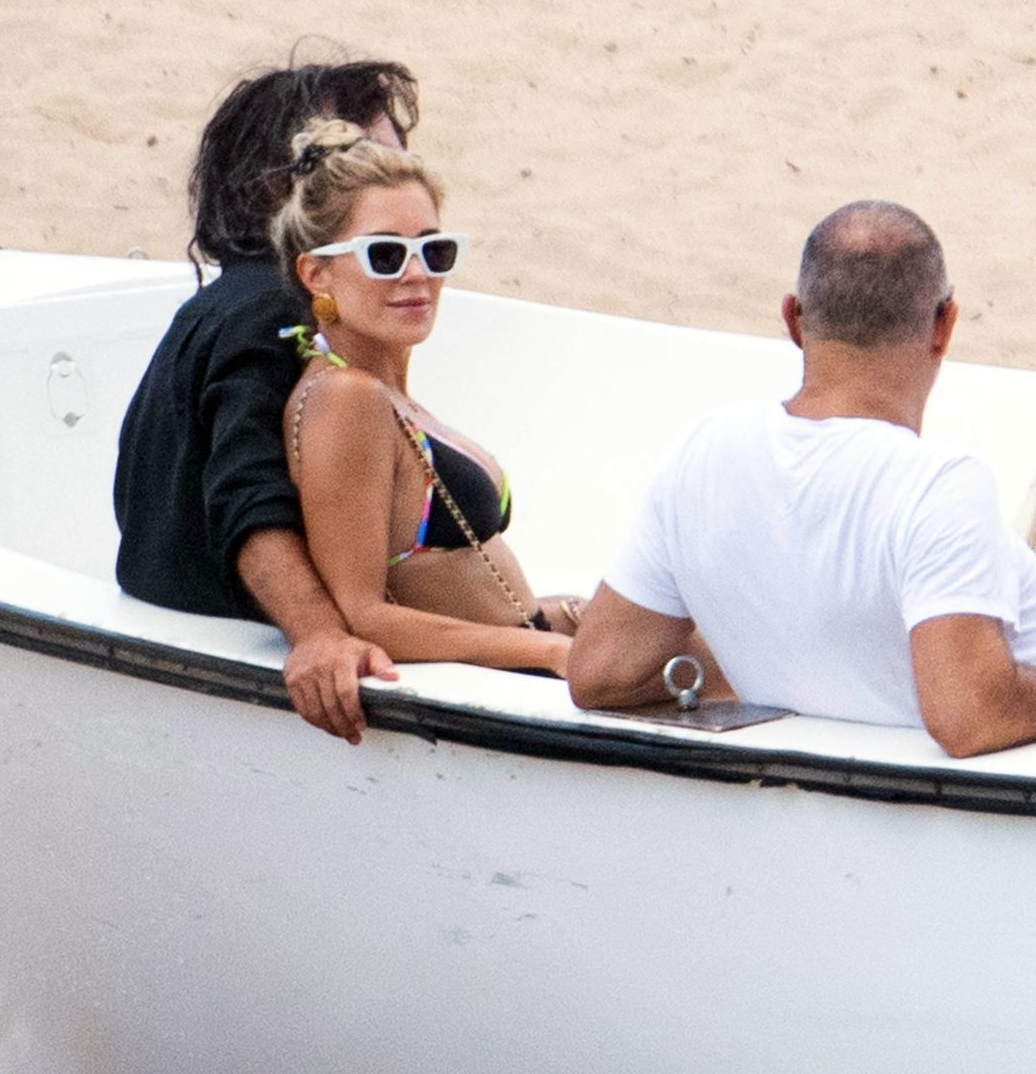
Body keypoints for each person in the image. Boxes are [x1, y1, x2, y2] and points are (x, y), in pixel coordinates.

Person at [568, 200, 1036, 758]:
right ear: (945, 326)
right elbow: (970, 719)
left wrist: (757, 654)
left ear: (793, 319)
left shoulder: (707, 453)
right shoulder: (942, 485)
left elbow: (601, 672)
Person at [113, 58, 419, 745]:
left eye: (402, 163)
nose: (397, 185)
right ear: (283, 183)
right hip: (225, 658)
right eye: (367, 163)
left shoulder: (226, 304)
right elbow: (247, 491)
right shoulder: (273, 313)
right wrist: (316, 635)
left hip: (173, 628)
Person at [271, 119, 575, 676]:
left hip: (527, 651)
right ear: (317, 273)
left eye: (435, 251)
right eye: (385, 255)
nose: (417, 274)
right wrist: (554, 653)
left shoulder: (384, 392)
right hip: (510, 677)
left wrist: (567, 618)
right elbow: (364, 616)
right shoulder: (346, 398)